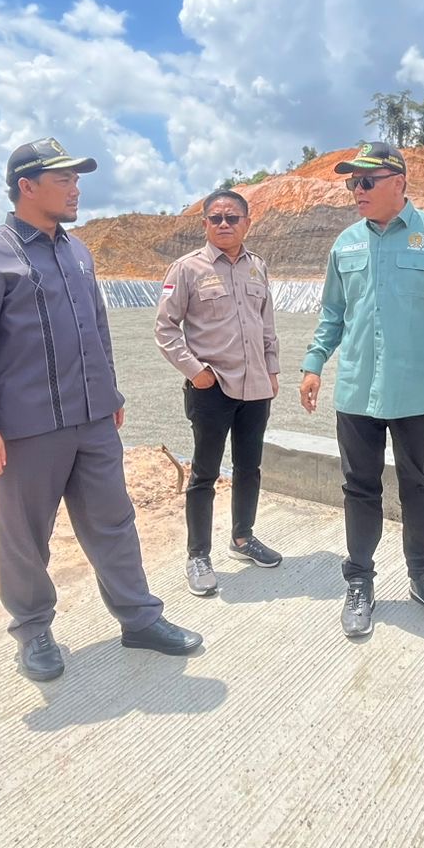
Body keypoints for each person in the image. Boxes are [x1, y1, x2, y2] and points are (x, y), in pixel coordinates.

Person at [0, 138, 201, 682]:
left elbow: (97, 330)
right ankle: (33, 631)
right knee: (25, 537)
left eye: (76, 179)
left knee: (115, 522)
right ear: (27, 186)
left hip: (93, 420)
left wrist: (110, 395)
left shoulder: (78, 253)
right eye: (63, 179)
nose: (76, 189)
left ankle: (139, 618)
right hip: (28, 428)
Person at [299, 141, 424, 638]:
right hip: (357, 390)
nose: (356, 190)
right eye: (351, 182)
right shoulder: (346, 244)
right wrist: (314, 363)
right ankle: (359, 580)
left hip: (415, 390)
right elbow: (333, 313)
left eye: (366, 181)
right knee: (359, 489)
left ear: (398, 182)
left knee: (418, 488)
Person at [154, 189, 283, 596]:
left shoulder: (258, 267)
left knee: (249, 468)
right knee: (205, 474)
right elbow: (165, 328)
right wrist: (196, 372)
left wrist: (272, 369)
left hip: (256, 387)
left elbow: (267, 325)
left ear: (247, 223)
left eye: (232, 218)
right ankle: (198, 555)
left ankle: (243, 538)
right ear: (205, 224)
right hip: (211, 388)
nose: (224, 224)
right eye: (216, 218)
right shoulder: (187, 268)